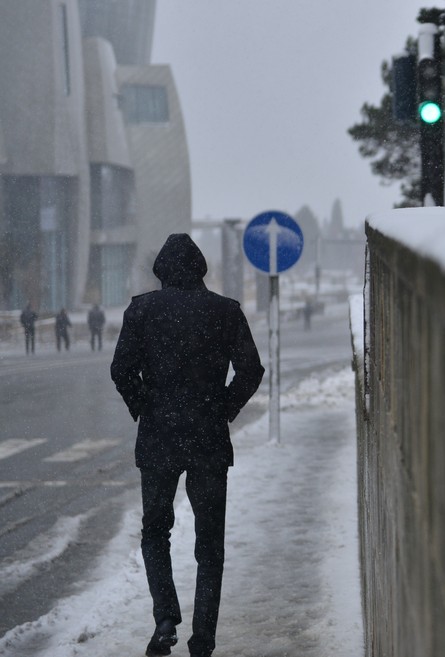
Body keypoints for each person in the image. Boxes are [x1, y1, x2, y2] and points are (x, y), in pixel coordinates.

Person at [111, 234, 264, 657]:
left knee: (156, 531)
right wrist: (224, 409)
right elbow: (251, 369)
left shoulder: (141, 310)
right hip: (208, 441)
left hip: (159, 439)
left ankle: (165, 617)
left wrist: (145, 406)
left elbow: (120, 369)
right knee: (209, 543)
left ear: (161, 271)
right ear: (201, 269)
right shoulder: (225, 311)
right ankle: (203, 640)